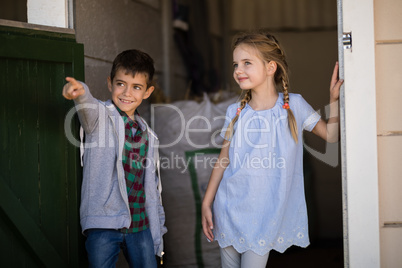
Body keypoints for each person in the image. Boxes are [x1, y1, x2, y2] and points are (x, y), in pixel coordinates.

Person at [201, 30, 343, 267]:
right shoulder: (235, 111)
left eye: (247, 63)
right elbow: (223, 159)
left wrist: (333, 101)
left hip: (264, 215)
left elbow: (331, 135)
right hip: (228, 208)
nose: (238, 70)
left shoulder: (294, 105)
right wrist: (207, 202)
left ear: (270, 67)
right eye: (236, 64)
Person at [62, 49, 167, 268]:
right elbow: (87, 103)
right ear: (110, 83)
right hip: (103, 225)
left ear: (147, 92)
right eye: (121, 84)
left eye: (136, 87)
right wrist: (79, 91)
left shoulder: (148, 134)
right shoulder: (100, 117)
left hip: (140, 226)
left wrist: (158, 231)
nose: (127, 93)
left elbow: (153, 189)